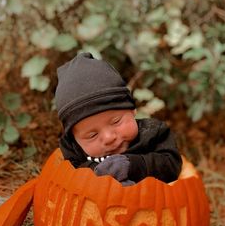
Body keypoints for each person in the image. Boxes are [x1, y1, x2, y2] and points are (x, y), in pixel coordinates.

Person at [55, 52, 182, 185]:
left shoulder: (153, 133)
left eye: (116, 122)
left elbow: (172, 165)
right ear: (75, 138)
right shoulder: (73, 150)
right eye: (92, 135)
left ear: (132, 111)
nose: (109, 138)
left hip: (154, 202)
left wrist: (131, 166)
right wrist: (97, 172)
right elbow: (69, 179)